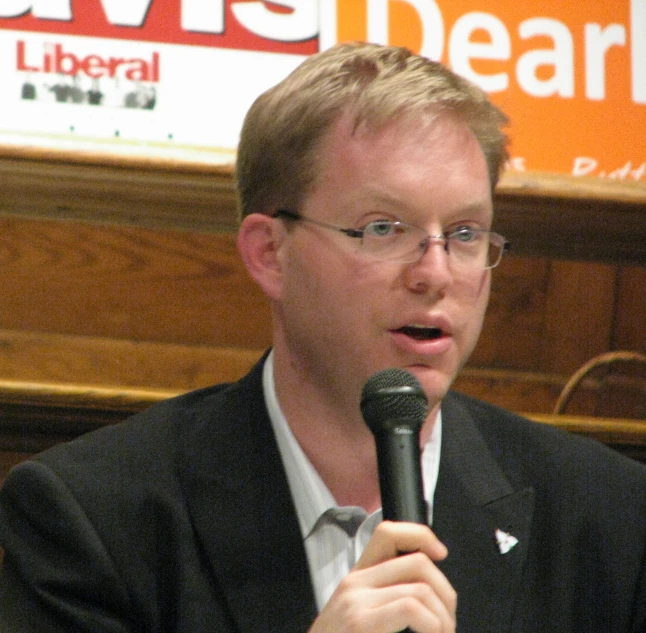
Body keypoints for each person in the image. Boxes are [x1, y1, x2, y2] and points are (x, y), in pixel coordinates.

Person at [1, 41, 645, 633]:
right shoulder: (94, 518)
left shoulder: (610, 518)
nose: (436, 273)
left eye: (466, 234)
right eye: (383, 228)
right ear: (270, 253)